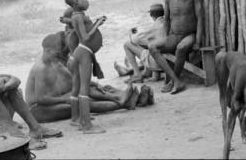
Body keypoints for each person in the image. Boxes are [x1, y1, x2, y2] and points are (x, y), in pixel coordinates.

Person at [25, 33, 153, 123]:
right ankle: (125, 103)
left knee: (85, 91)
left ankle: (125, 98)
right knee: (83, 104)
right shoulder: (41, 68)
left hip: (53, 100)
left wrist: (91, 84)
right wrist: (64, 100)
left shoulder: (54, 61)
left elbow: (75, 78)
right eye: (57, 51)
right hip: (38, 110)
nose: (60, 54)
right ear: (47, 50)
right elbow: (40, 99)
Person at [148, 0, 203, 94]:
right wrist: (166, 38)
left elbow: (200, 19)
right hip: (174, 35)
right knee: (152, 46)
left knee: (180, 47)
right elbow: (167, 20)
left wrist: (198, 41)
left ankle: (173, 82)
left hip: (190, 35)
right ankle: (176, 81)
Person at [68, 0, 108, 133]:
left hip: (83, 51)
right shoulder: (77, 17)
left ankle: (80, 120)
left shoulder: (78, 15)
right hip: (84, 52)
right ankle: (86, 126)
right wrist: (97, 24)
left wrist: (96, 23)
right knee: (84, 89)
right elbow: (85, 37)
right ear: (76, 1)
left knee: (79, 87)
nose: (87, 1)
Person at [115, 3, 166, 83]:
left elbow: (135, 40)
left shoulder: (155, 27)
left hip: (158, 60)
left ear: (151, 15)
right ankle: (139, 71)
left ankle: (137, 74)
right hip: (165, 57)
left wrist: (131, 34)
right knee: (148, 45)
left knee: (127, 44)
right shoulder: (167, 23)